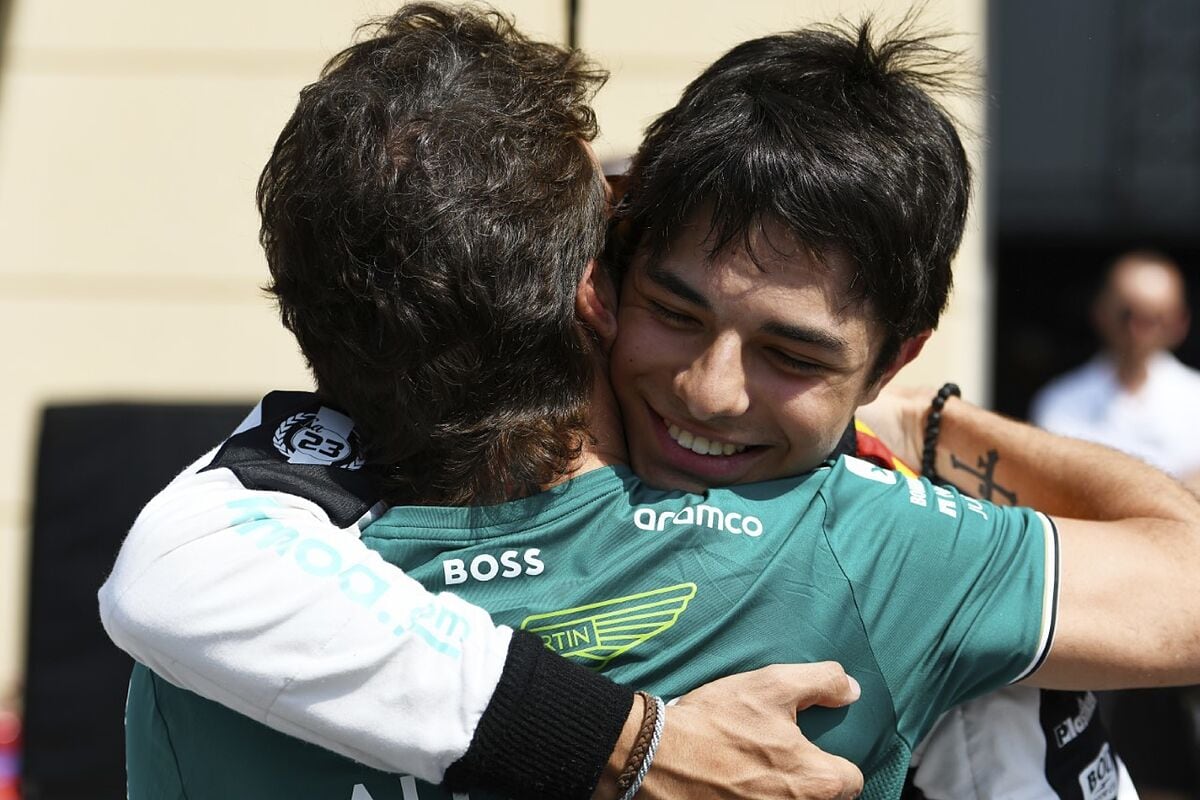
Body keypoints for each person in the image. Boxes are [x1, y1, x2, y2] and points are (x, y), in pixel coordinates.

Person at [99, 6, 1194, 799]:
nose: (712, 390)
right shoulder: (862, 546)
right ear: (598, 276)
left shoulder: (238, 573)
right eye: (678, 312)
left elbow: (167, 573)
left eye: (788, 355)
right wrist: (927, 429)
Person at [1031, 252, 1200, 800]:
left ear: (1177, 323)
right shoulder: (1061, 400)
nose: (1137, 328)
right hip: (1093, 598)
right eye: (1127, 311)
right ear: (1103, 314)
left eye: (1152, 315)